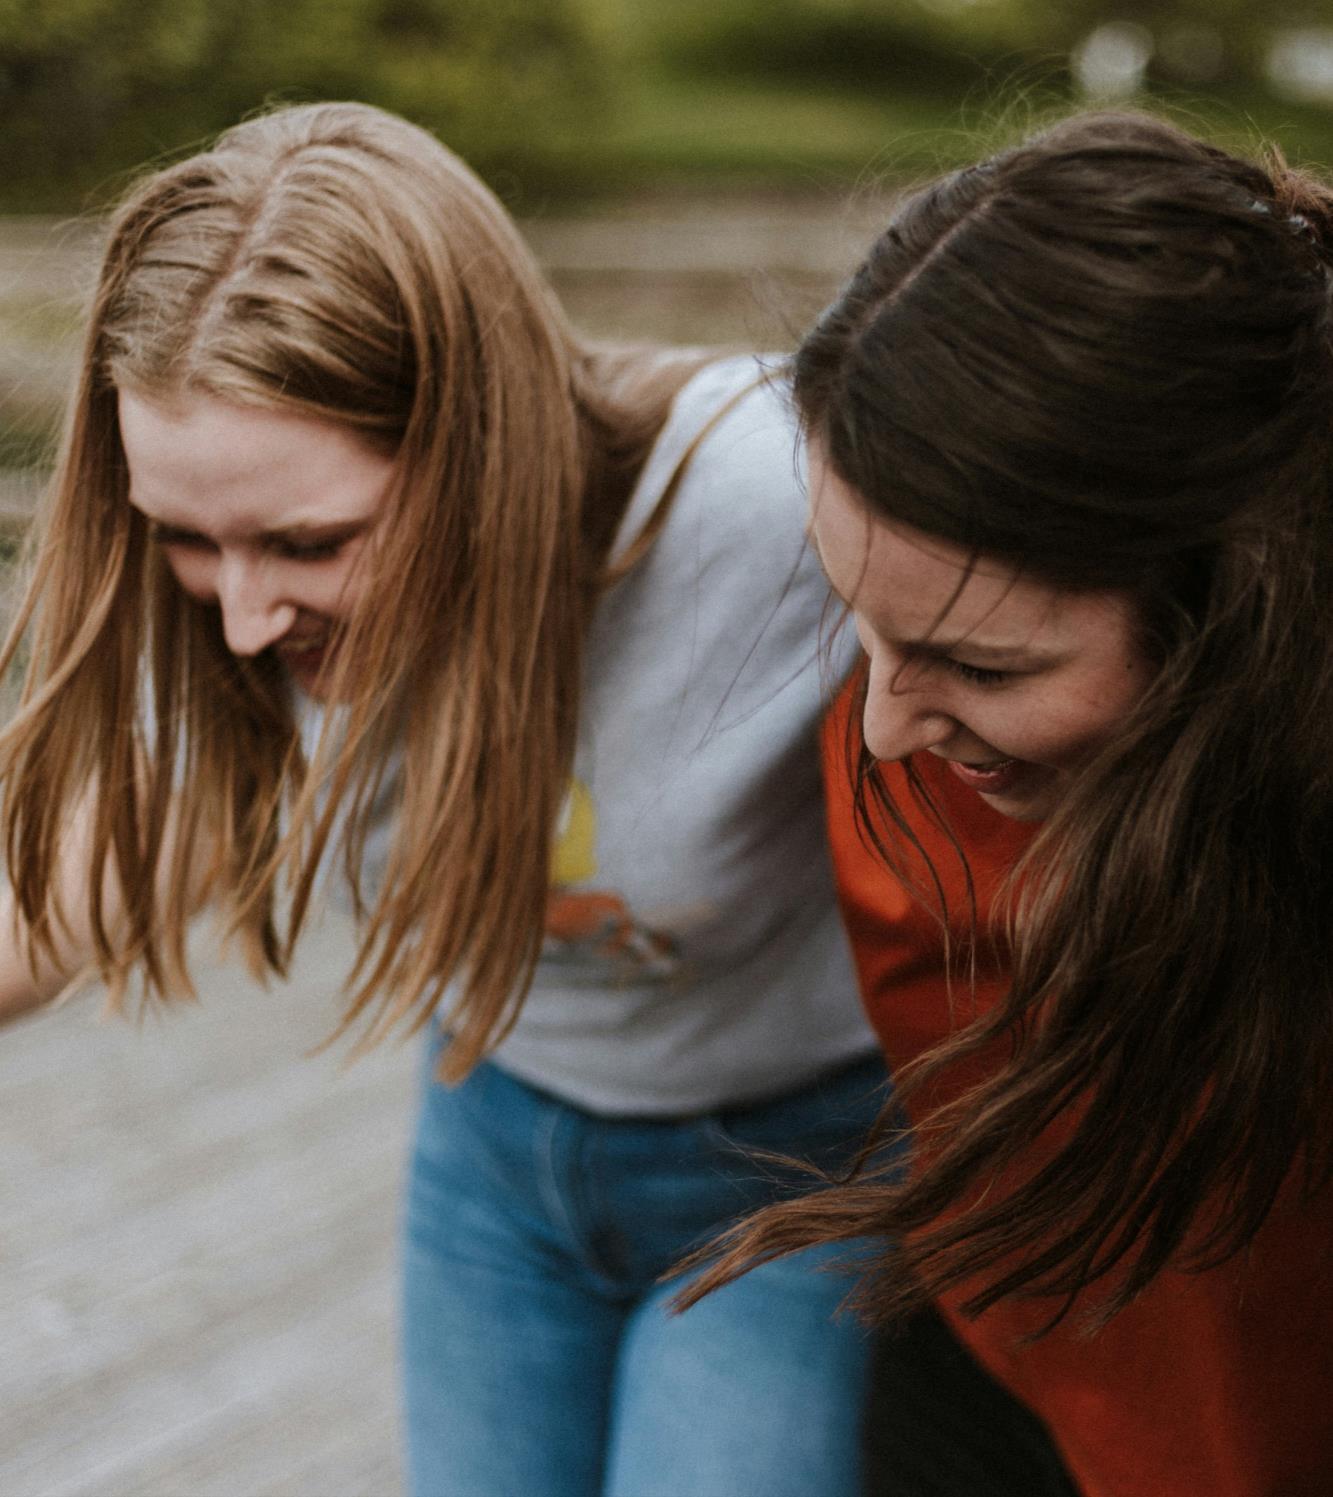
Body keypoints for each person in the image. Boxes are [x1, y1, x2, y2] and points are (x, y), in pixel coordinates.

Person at [0, 102, 893, 1497]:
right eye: (184, 538)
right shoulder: (224, 619)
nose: (241, 615)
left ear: (482, 445)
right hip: (498, 1161)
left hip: (786, 1180)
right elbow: (59, 898)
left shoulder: (765, 501)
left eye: (311, 541)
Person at [685, 112, 1333, 1496]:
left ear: (1244, 608)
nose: (881, 723)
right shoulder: (932, 762)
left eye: (984, 663)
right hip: (1004, 1365)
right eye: (854, 621)